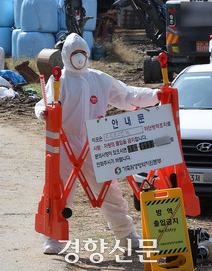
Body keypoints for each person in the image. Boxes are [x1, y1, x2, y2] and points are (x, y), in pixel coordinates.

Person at [34, 33, 161, 255]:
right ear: (65, 56)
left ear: (88, 54)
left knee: (109, 190)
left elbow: (128, 95)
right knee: (58, 190)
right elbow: (45, 103)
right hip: (64, 143)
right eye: (74, 54)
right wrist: (43, 112)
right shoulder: (58, 80)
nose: (79, 58)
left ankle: (126, 235)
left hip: (95, 142)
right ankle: (53, 236)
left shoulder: (99, 79)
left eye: (82, 53)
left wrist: (157, 95)